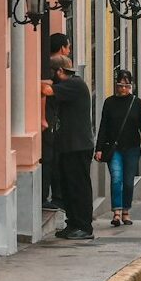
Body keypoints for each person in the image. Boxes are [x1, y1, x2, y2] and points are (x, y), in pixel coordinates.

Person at [47, 53, 95, 241]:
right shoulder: (69, 85)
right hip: (68, 146)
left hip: (78, 146)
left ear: (59, 71)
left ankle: (84, 226)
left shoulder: (75, 84)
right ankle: (73, 223)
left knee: (79, 187)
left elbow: (48, 91)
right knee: (68, 187)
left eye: (51, 72)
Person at [95, 68, 141, 226]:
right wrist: (99, 148)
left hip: (132, 148)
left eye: (126, 86)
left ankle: (126, 211)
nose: (123, 89)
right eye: (120, 85)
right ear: (115, 85)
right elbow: (103, 126)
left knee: (129, 181)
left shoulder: (136, 103)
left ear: (131, 86)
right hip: (114, 148)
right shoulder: (109, 103)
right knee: (117, 179)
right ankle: (116, 212)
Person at [39, 31, 70, 210]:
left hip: (52, 119)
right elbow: (45, 90)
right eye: (67, 47)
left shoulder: (46, 66)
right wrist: (44, 118)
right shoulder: (53, 70)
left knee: (53, 158)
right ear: (61, 48)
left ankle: (54, 196)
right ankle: (51, 196)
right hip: (50, 120)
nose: (68, 51)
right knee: (51, 158)